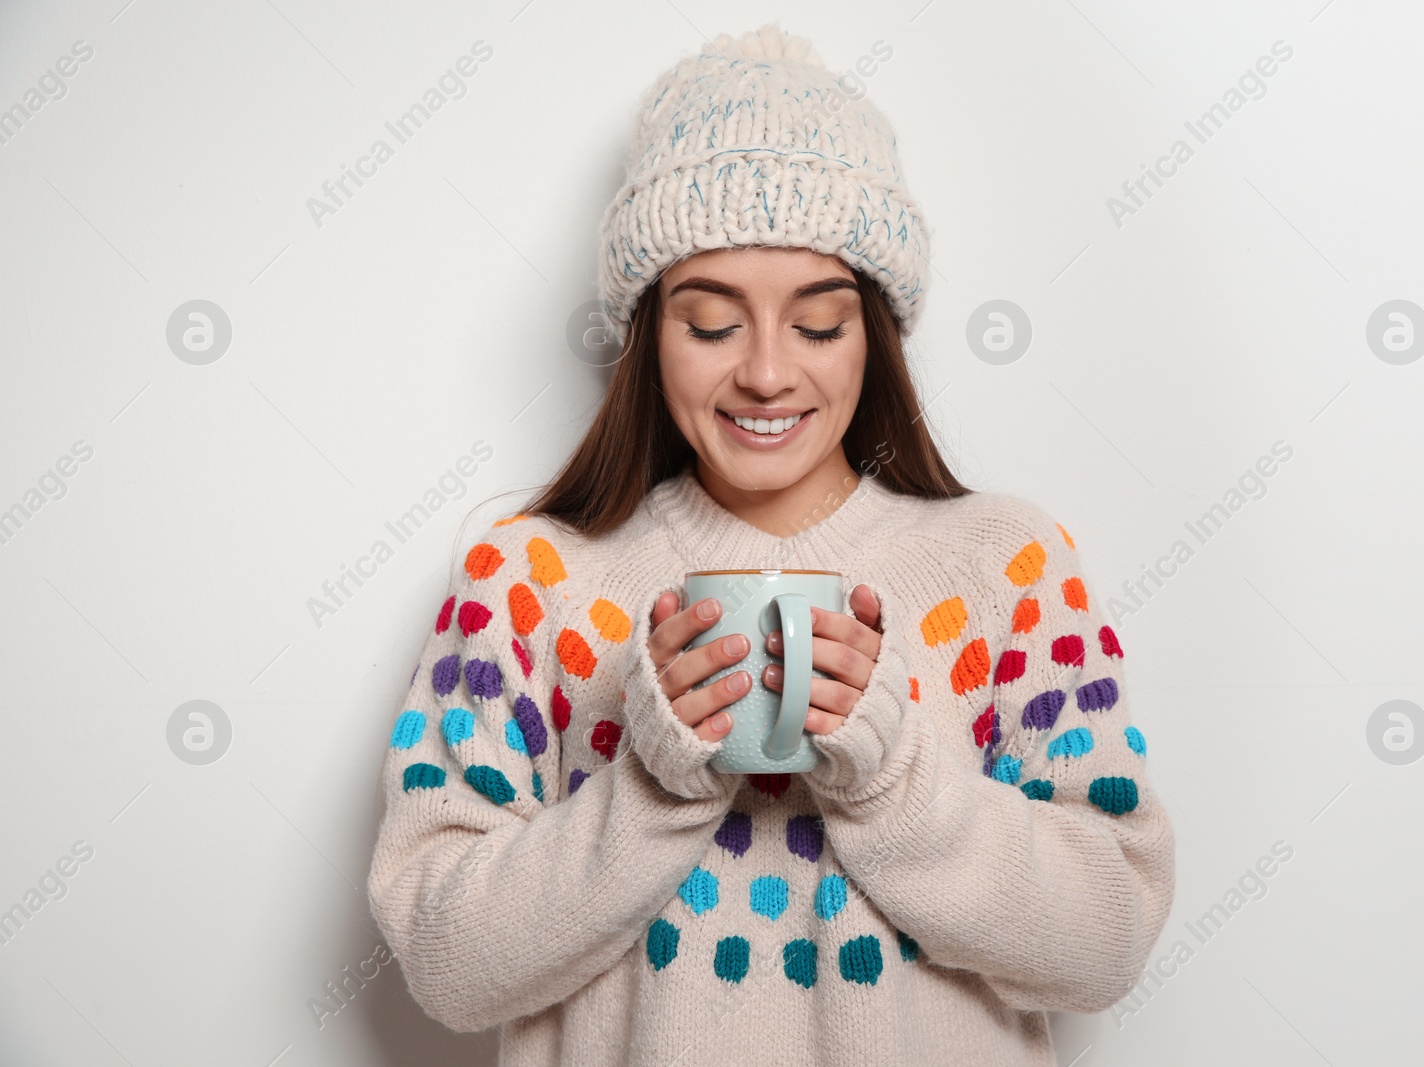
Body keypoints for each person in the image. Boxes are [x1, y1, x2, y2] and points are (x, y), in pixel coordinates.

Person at [367, 22, 1175, 1066]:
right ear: (647, 332)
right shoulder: (528, 579)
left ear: (875, 333)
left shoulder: (1007, 566)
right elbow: (445, 960)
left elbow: (1106, 940)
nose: (763, 372)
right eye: (709, 324)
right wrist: (651, 782)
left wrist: (895, 776)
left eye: (818, 324)